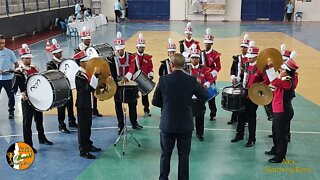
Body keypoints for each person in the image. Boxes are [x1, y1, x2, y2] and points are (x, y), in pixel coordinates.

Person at [152, 54, 209, 180]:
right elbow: (205, 97)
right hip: (185, 124)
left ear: (171, 65)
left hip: (168, 124)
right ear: (184, 65)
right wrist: (201, 85)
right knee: (184, 156)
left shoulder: (163, 80)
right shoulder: (192, 80)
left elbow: (155, 101)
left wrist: (167, 105)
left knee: (165, 155)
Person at [12, 44, 53, 153]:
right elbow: (14, 88)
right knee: (27, 123)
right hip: (27, 101)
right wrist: (22, 94)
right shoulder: (19, 72)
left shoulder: (35, 69)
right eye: (27, 58)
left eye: (30, 58)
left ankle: (42, 138)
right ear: (22, 59)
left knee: (39, 120)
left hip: (37, 99)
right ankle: (28, 145)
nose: (29, 60)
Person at [230, 41, 269, 147]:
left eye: (251, 57)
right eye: (248, 56)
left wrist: (257, 87)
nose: (249, 58)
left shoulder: (261, 67)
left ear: (256, 57)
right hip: (244, 92)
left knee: (251, 117)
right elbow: (242, 76)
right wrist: (236, 80)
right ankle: (239, 134)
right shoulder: (246, 64)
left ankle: (252, 138)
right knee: (240, 114)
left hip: (254, 95)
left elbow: (267, 81)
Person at [264, 53, 299, 163]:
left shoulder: (288, 81)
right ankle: (276, 149)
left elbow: (274, 82)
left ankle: (280, 156)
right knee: (275, 131)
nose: (280, 70)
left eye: (283, 69)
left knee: (281, 135)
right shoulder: (287, 78)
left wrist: (270, 69)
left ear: (288, 72)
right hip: (279, 110)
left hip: (283, 111)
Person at [112, 32, 143, 134]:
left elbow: (132, 68)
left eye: (122, 49)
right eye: (118, 49)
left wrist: (127, 77)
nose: (120, 51)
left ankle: (134, 123)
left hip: (129, 84)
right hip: (117, 86)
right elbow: (111, 72)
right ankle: (120, 125)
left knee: (132, 104)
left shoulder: (131, 56)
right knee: (118, 106)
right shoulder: (112, 59)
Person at [73, 51, 102, 159]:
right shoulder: (80, 75)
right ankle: (83, 150)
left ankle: (88, 144)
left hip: (87, 103)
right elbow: (89, 88)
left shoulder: (86, 73)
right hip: (82, 104)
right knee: (83, 128)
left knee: (88, 125)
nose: (89, 63)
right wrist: (95, 75)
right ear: (81, 63)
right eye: (86, 61)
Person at [46, 39, 77, 133]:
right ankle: (61, 124)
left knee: (70, 105)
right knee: (61, 107)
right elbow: (51, 76)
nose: (61, 54)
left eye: (60, 52)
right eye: (59, 53)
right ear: (54, 54)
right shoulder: (50, 64)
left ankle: (72, 121)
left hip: (67, 86)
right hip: (59, 88)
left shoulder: (64, 61)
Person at [188, 44, 215, 141]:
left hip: (200, 95)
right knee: (188, 116)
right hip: (189, 96)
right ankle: (188, 132)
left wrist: (206, 85)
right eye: (193, 58)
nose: (194, 60)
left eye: (196, 58)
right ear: (190, 59)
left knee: (200, 115)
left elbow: (210, 79)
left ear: (199, 59)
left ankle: (200, 133)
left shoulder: (204, 69)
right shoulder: (186, 69)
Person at [74, 27, 102, 117]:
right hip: (84, 72)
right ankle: (88, 109)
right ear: (82, 40)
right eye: (86, 40)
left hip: (92, 71)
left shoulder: (92, 48)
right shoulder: (78, 49)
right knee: (86, 91)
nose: (88, 41)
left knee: (94, 90)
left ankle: (95, 109)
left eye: (89, 39)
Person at [228, 34, 250, 125]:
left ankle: (245, 120)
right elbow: (232, 69)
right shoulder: (237, 58)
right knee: (235, 99)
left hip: (246, 83)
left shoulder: (250, 59)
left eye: (245, 47)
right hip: (237, 82)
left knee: (245, 102)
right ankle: (234, 118)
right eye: (242, 47)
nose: (243, 49)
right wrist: (233, 77)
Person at [200, 28, 221, 121]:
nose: (206, 45)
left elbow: (218, 67)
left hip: (211, 78)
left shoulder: (215, 54)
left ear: (211, 43)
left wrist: (212, 74)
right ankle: (201, 111)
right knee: (201, 95)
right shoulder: (200, 53)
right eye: (205, 43)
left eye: (208, 43)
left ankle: (213, 113)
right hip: (201, 77)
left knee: (211, 96)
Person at [134, 33, 154, 117]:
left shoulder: (147, 57)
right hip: (135, 80)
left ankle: (146, 109)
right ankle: (133, 110)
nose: (141, 48)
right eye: (140, 47)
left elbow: (150, 67)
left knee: (145, 95)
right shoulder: (133, 57)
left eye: (142, 47)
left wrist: (151, 74)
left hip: (144, 79)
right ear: (137, 47)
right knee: (134, 96)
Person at [0, 34, 19, 119]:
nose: (2, 45)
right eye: (0, 43)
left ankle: (11, 111)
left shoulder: (9, 52)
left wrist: (13, 71)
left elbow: (17, 64)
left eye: (3, 43)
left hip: (8, 79)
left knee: (11, 96)